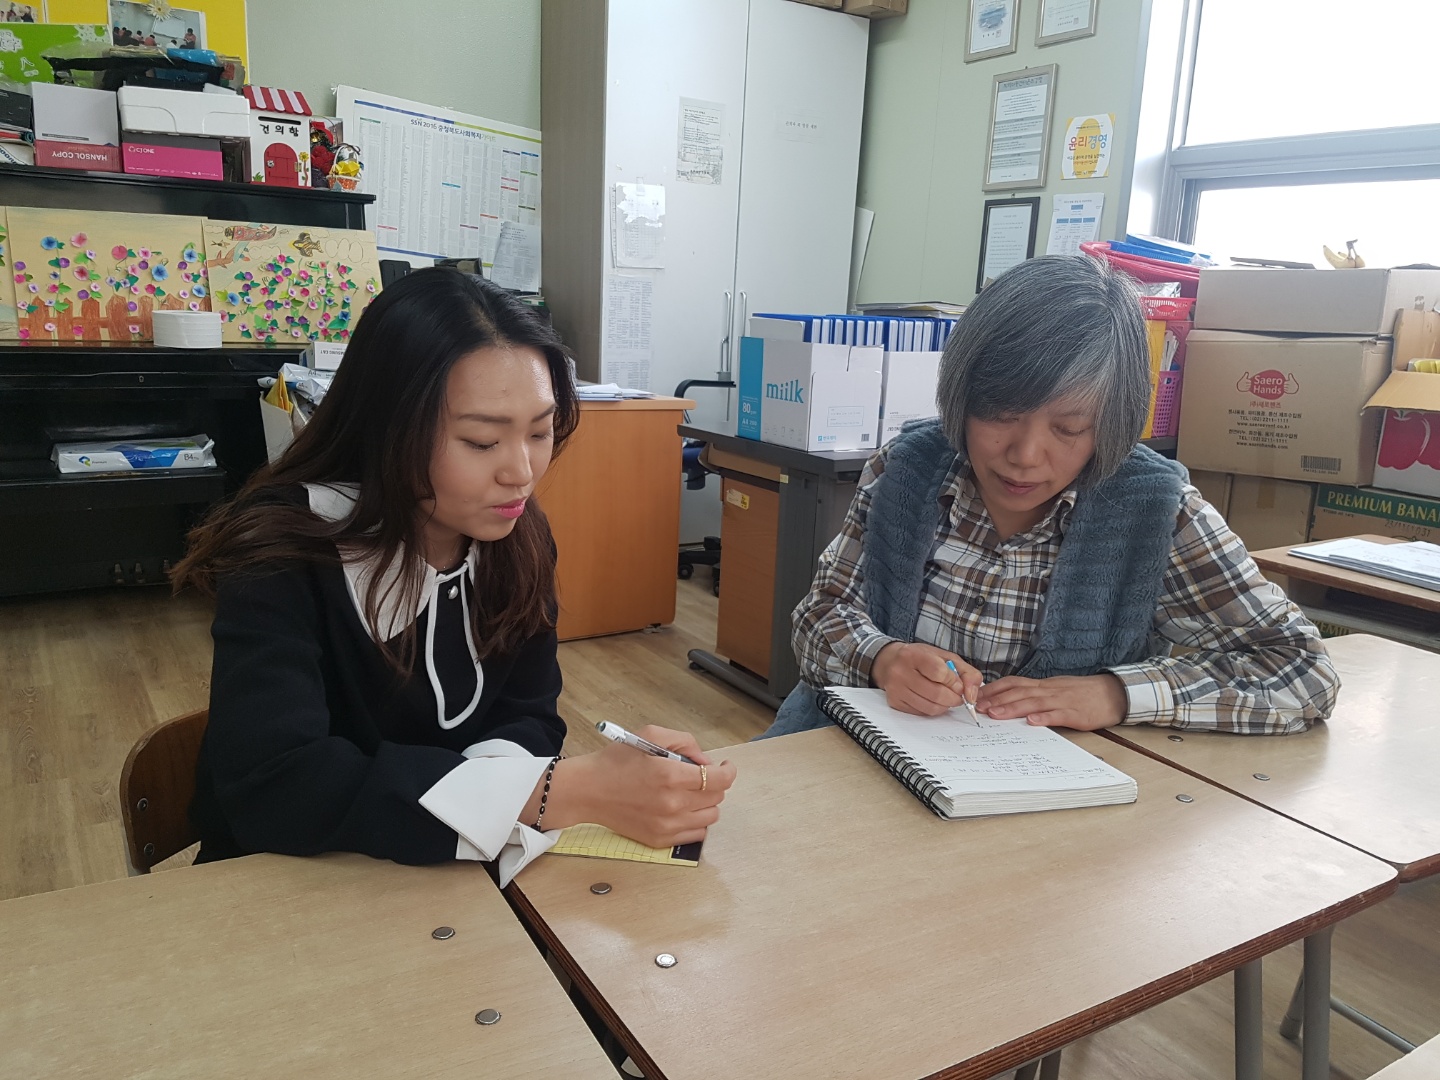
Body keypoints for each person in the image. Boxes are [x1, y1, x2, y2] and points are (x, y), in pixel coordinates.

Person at [174, 269, 736, 884]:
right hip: (284, 889)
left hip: (448, 881)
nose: (521, 472)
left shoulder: (517, 535)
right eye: (481, 441)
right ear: (388, 428)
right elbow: (275, 786)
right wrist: (548, 794)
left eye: (540, 432)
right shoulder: (283, 550)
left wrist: (507, 795)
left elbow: (530, 713)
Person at [763, 254, 1338, 739]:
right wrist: (883, 660)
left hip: (1035, 798)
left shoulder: (1157, 512)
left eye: (1069, 428)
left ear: (1110, 424)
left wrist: (1116, 694)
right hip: (857, 753)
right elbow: (818, 616)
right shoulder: (908, 469)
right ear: (961, 398)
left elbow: (1302, 671)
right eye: (999, 415)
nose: (1026, 455)